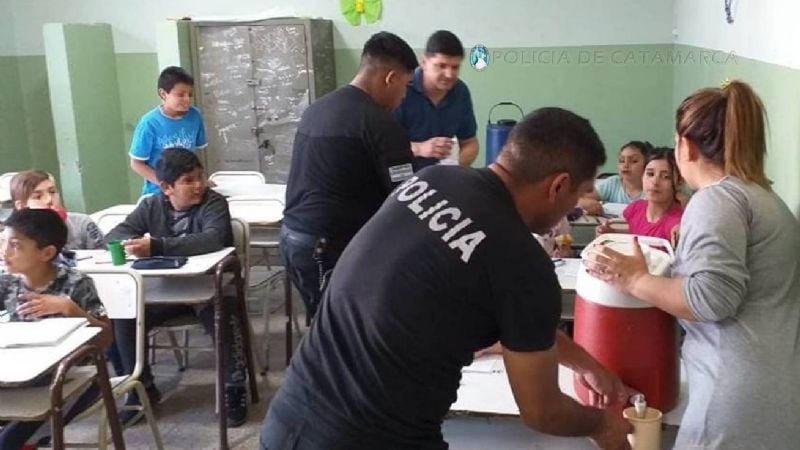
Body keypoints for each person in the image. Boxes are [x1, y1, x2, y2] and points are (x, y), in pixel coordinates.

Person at [260, 108, 635, 450]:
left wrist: (587, 365)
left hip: (289, 415)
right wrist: (603, 424)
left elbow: (518, 323)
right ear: (557, 185)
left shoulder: (433, 179)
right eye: (578, 194)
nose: (573, 207)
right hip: (373, 437)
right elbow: (543, 412)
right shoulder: (524, 264)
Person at [585, 80, 800, 449]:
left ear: (684, 145)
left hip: (735, 397)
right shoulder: (764, 198)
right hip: (777, 390)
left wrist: (634, 279)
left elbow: (709, 299)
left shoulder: (715, 201)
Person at [106, 148, 249, 426]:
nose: (198, 185)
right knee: (123, 315)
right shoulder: (151, 205)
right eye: (188, 180)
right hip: (168, 291)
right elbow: (117, 233)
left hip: (210, 286)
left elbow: (213, 239)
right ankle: (139, 388)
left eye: (200, 177)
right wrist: (129, 244)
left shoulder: (213, 203)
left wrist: (157, 246)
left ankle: (234, 387)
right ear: (166, 187)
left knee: (224, 310)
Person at [281, 31, 417, 319]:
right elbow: (405, 199)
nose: (403, 97)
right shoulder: (381, 124)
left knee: (326, 327)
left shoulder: (316, 110)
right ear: (390, 78)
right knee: (343, 335)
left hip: (294, 241)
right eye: (405, 87)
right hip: (329, 249)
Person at [0, 208, 112, 449]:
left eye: (15, 245)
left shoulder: (76, 283)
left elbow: (106, 338)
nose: (5, 252)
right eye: (3, 242)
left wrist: (73, 310)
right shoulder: (6, 282)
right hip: (18, 376)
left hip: (73, 379)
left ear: (47, 252)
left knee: (7, 441)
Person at [394, 30, 479, 169]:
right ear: (424, 62)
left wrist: (454, 166)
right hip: (401, 178)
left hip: (441, 179)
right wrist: (420, 149)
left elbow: (470, 143)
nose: (449, 74)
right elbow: (385, 146)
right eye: (441, 66)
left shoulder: (460, 91)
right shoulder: (401, 87)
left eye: (455, 67)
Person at [129, 66, 208, 196]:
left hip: (189, 192)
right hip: (158, 193)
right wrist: (166, 186)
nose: (187, 99)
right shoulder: (149, 123)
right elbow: (137, 163)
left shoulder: (195, 116)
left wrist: (200, 180)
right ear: (163, 93)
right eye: (181, 95)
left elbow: (196, 157)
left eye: (190, 95)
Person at [596, 147, 683, 244]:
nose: (655, 182)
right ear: (642, 176)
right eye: (650, 174)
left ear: (679, 182)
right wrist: (612, 234)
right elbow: (638, 234)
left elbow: (676, 230)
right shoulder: (636, 208)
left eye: (666, 177)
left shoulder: (678, 221)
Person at [9, 170, 105, 250]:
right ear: (21, 206)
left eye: (52, 192)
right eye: (38, 197)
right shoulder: (11, 236)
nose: (49, 200)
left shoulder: (82, 224)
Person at [579, 141, 650, 215]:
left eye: (634, 161)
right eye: (621, 161)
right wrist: (585, 202)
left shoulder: (652, 188)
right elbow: (579, 197)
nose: (625, 165)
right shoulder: (613, 183)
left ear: (647, 165)